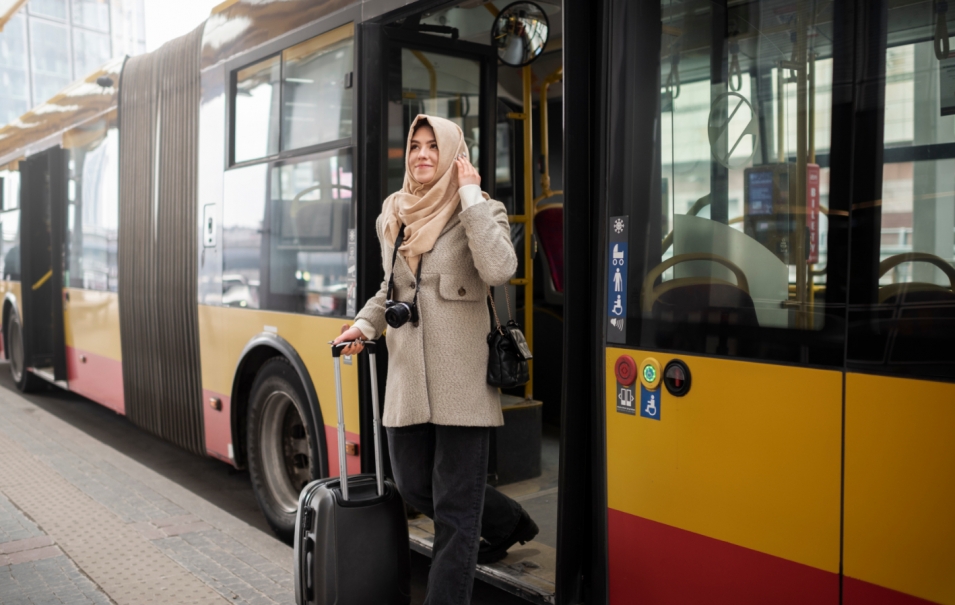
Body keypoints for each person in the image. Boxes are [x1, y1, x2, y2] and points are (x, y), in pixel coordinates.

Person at [333, 114, 538, 604]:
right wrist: (363, 326)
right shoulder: (394, 213)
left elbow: (498, 268)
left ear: (453, 154)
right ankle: (510, 521)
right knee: (415, 487)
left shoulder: (483, 209)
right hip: (407, 379)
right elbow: (389, 291)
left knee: (454, 509)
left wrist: (469, 198)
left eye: (433, 146)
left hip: (463, 382)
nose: (422, 155)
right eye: (415, 146)